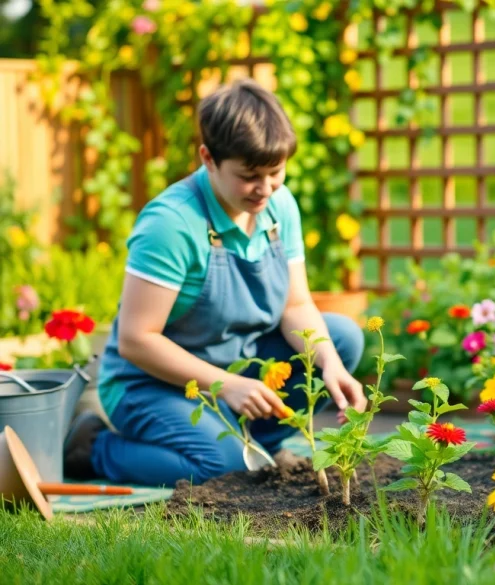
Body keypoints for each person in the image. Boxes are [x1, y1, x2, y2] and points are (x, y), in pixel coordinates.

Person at [63, 79, 366, 487]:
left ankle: (255, 447)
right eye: (249, 176)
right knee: (222, 470)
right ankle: (94, 448)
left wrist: (329, 362)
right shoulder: (171, 224)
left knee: (342, 338)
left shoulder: (280, 207)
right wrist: (225, 384)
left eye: (275, 172)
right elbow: (137, 340)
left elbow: (295, 305)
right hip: (151, 384)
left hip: (237, 369)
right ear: (208, 158)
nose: (265, 189)